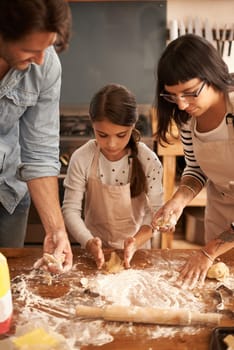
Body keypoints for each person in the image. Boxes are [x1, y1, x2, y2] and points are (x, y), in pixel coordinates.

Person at [152, 34, 234, 289]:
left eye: (189, 93)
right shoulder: (187, 118)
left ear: (212, 76)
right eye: (172, 96)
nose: (181, 103)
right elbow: (196, 168)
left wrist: (208, 252)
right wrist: (179, 200)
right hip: (221, 210)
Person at [0, 0, 73, 272]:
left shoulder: (46, 64)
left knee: (9, 284)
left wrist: (56, 230)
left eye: (47, 47)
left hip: (9, 192)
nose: (41, 60)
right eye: (31, 50)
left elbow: (39, 152)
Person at [62, 83, 163, 269]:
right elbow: (70, 210)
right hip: (93, 252)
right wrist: (88, 241)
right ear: (92, 124)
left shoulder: (148, 159)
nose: (112, 144)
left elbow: (157, 212)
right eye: (102, 134)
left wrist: (136, 241)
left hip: (138, 252)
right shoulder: (82, 157)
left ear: (132, 126)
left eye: (121, 135)